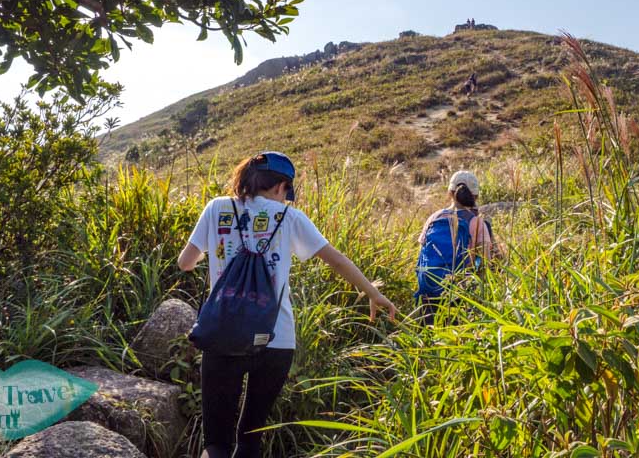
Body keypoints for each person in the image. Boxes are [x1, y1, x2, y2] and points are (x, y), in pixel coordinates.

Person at [178, 151, 396, 458]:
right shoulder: (289, 218)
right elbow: (336, 259)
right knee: (250, 439)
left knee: (216, 443)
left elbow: (185, 263)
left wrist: (219, 253)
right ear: (281, 186)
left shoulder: (217, 208)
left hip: (222, 334)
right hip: (276, 339)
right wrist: (372, 293)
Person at [414, 170, 496, 325]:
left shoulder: (434, 217)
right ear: (476, 196)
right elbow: (485, 263)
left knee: (430, 334)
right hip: (461, 293)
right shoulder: (477, 223)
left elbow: (422, 255)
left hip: (430, 290)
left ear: (450, 193)